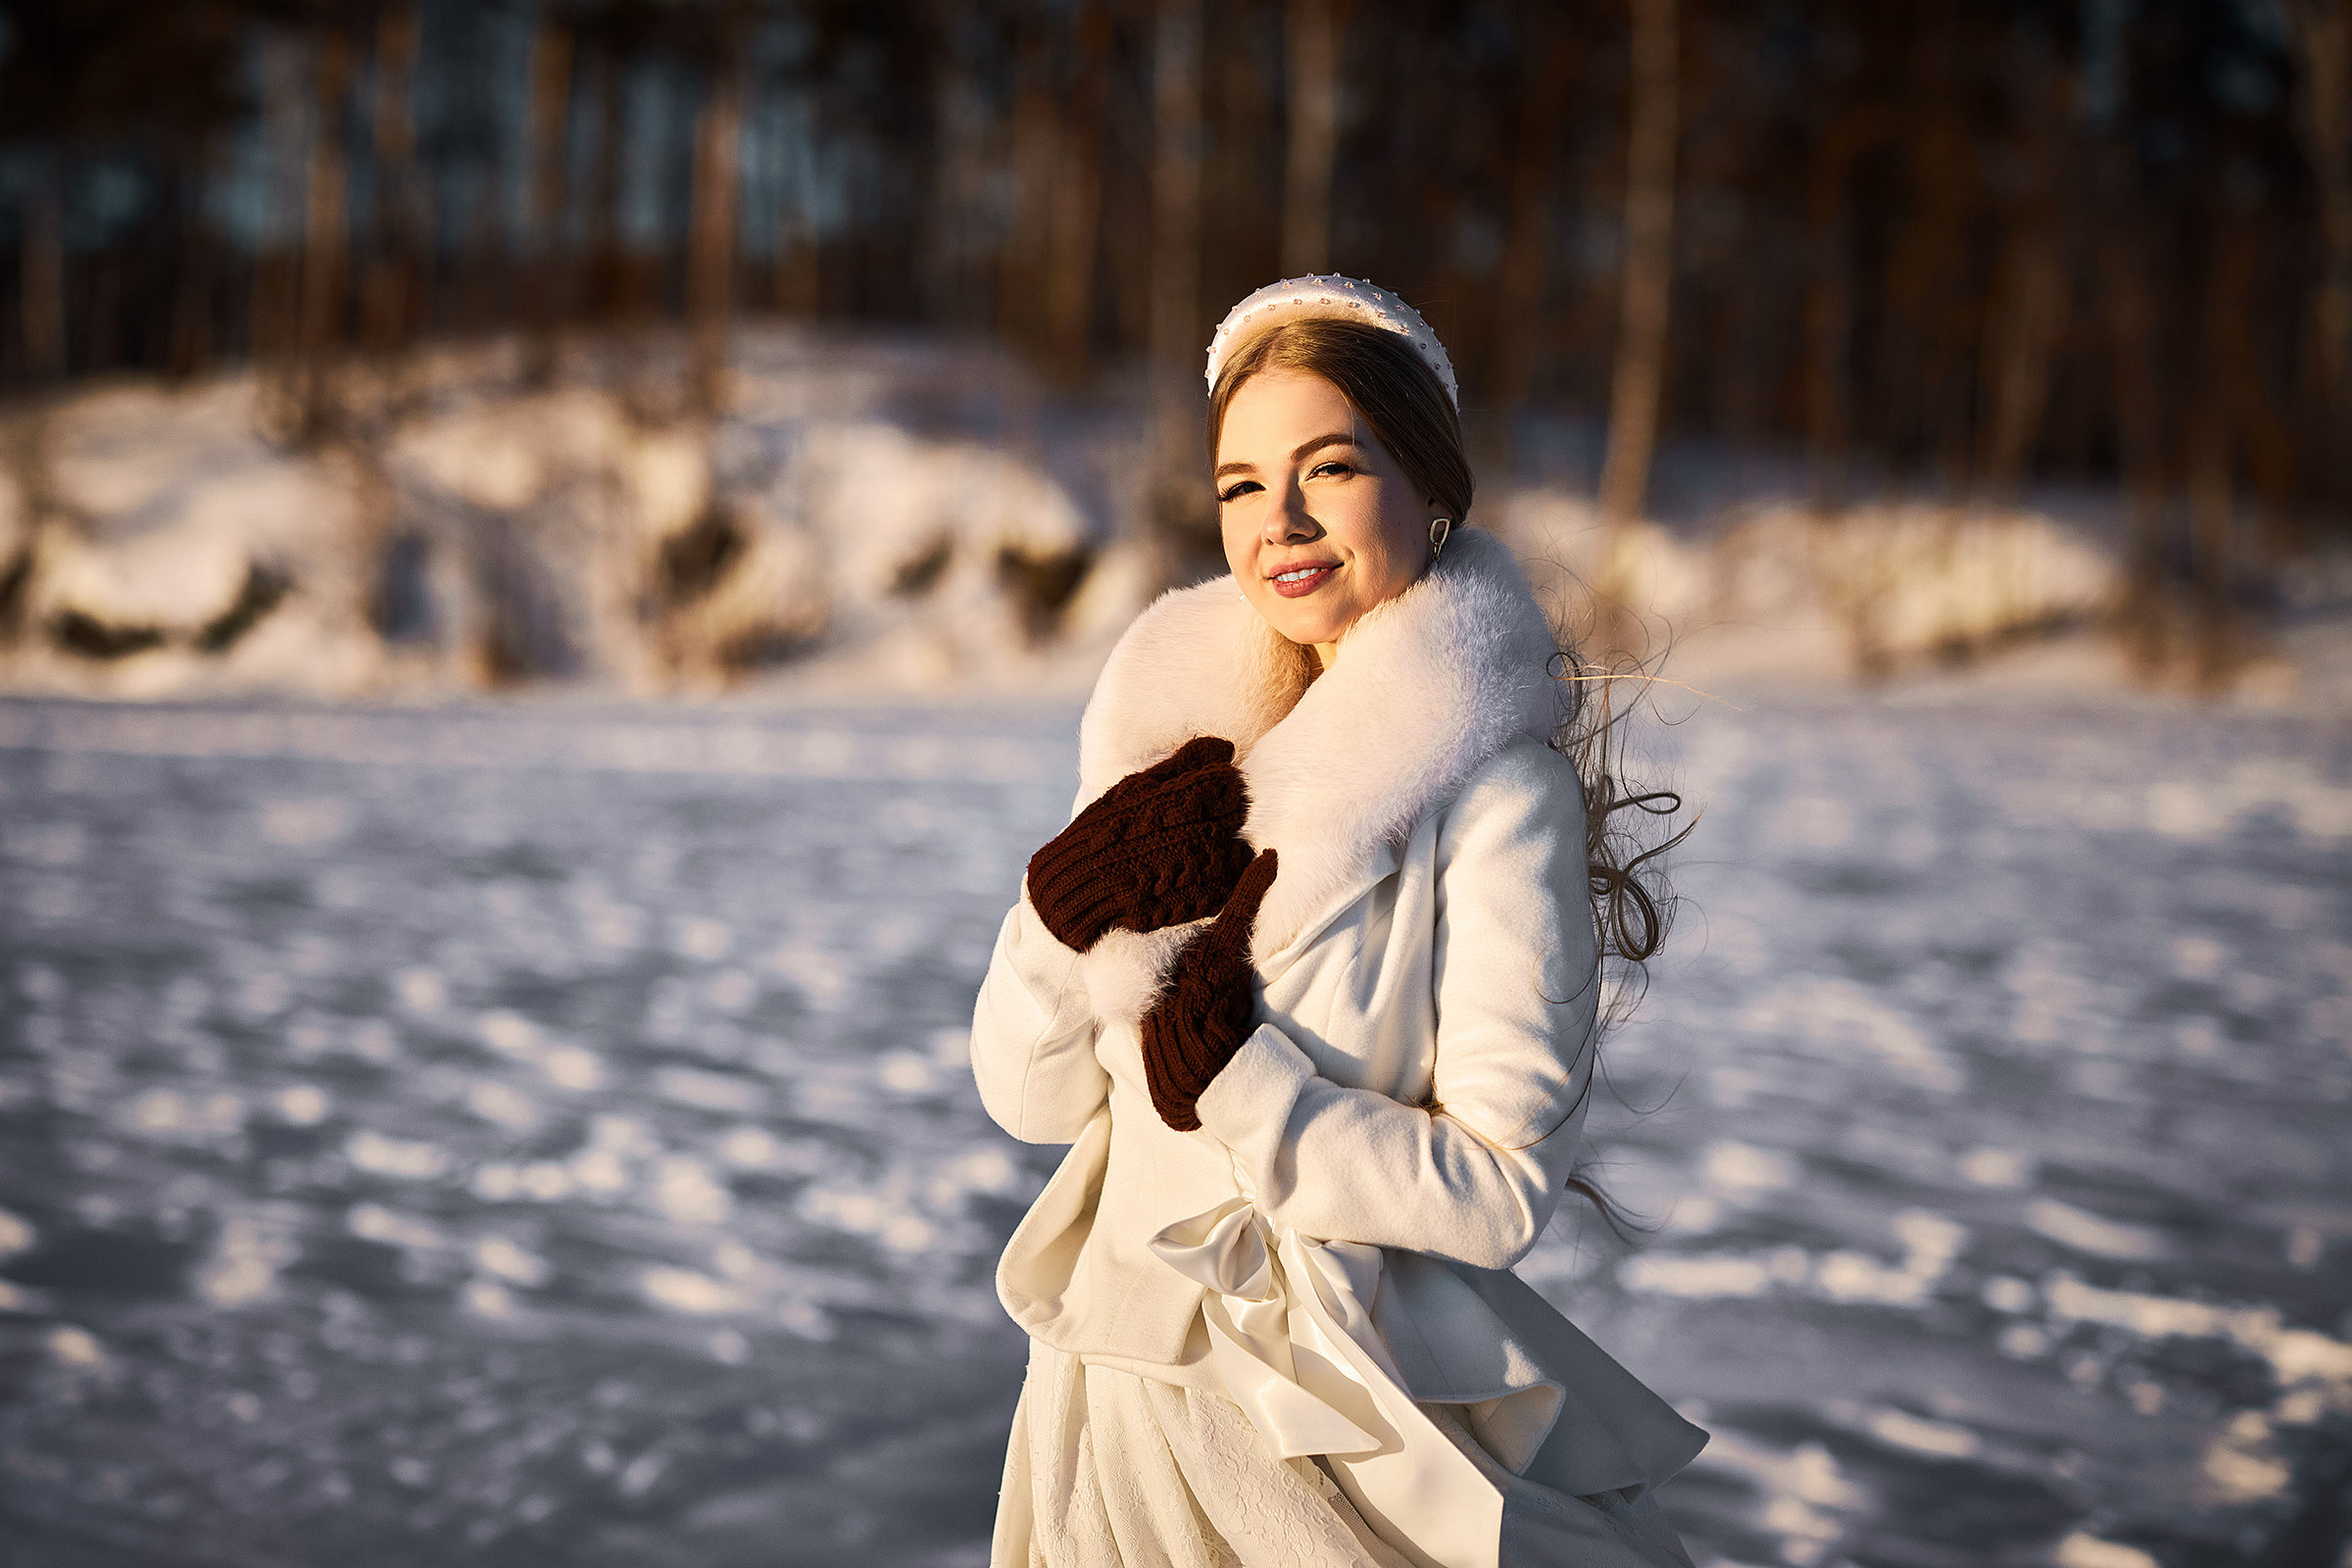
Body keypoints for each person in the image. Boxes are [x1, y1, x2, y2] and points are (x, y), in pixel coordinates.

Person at [970, 275, 1705, 1568]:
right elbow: (1030, 1102)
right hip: (1110, 1404)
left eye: (1332, 467)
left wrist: (1243, 1091)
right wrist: (1059, 914)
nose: (1283, 521)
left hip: (1324, 1426)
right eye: (1243, 484)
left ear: (1429, 484)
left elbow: (1500, 1190)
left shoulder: (1495, 794)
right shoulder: (1164, 744)